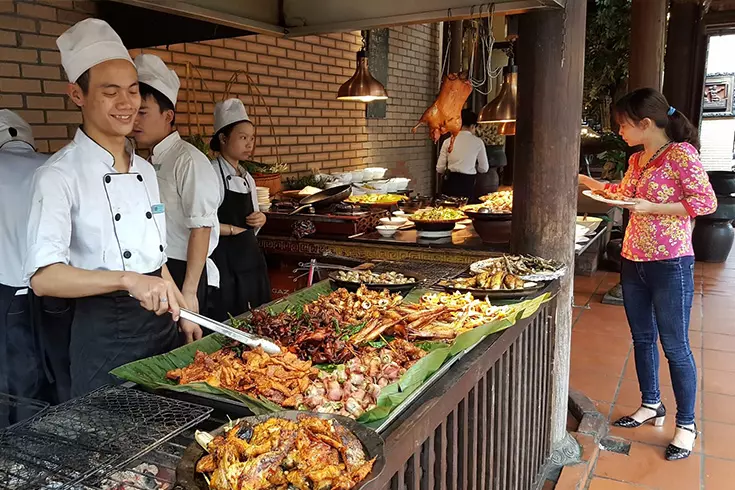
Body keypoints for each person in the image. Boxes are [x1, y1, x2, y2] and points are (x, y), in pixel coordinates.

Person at [25, 19, 201, 397]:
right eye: (110, 92)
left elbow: (154, 258)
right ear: (77, 95)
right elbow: (43, 278)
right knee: (113, 445)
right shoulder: (58, 175)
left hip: (161, 325)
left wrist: (183, 308)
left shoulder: (145, 169)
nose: (127, 104)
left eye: (134, 91)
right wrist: (126, 280)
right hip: (104, 332)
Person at [579, 88, 716, 461]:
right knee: (642, 338)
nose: (619, 131)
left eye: (623, 124)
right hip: (633, 259)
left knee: (674, 346)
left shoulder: (681, 155)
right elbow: (625, 193)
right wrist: (590, 184)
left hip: (670, 263)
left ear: (645, 123)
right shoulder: (638, 159)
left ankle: (686, 424)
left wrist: (654, 207)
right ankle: (651, 403)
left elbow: (705, 202)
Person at [131, 54, 221, 314]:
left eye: (143, 113)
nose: (134, 121)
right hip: (157, 268)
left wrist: (189, 292)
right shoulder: (144, 159)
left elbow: (201, 228)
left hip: (185, 268)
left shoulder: (188, 160)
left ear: (168, 115)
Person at [0, 111, 51, 422]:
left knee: (13, 375)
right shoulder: (51, 167)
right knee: (47, 369)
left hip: (9, 291)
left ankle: (14, 442)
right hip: (55, 290)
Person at [208, 99, 271, 320]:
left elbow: (254, 214)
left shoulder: (247, 177)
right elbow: (204, 224)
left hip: (250, 259)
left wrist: (260, 219)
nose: (249, 144)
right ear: (223, 139)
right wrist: (233, 230)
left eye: (251, 138)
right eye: (243, 138)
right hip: (224, 262)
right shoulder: (210, 174)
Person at [436, 109, 489, 202]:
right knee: (466, 211)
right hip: (467, 183)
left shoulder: (448, 141)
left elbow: (439, 168)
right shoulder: (478, 142)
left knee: (447, 211)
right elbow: (484, 168)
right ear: (473, 126)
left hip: (450, 181)